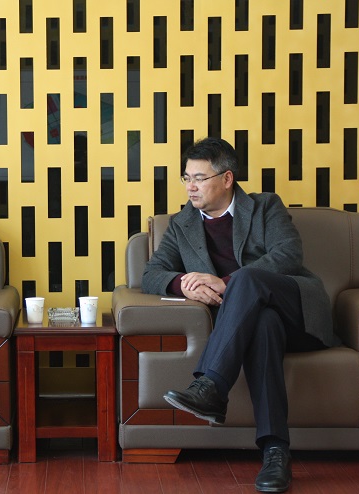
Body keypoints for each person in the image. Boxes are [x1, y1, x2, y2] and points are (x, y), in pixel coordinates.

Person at [142, 137, 334, 493]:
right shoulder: (182, 224)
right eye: (186, 178)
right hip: (252, 327)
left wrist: (226, 283)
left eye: (199, 178)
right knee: (262, 324)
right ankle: (276, 453)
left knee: (246, 280)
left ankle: (211, 385)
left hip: (297, 313)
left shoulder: (265, 207)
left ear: (227, 178)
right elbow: (151, 274)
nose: (190, 186)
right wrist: (184, 283)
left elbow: (288, 254)